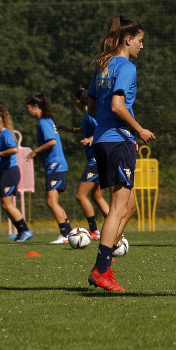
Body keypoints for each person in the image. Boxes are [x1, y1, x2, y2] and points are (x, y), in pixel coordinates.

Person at [87, 16, 156, 292]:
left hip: (104, 139)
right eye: (140, 41)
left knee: (129, 207)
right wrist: (137, 129)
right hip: (118, 141)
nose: (142, 46)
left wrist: (111, 128)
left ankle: (105, 268)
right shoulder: (126, 66)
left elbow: (93, 107)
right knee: (118, 208)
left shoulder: (102, 65)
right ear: (128, 40)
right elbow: (117, 105)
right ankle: (101, 269)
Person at [24, 93, 72, 244]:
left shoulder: (43, 122)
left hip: (55, 166)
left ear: (35, 107)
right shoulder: (48, 120)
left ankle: (65, 234)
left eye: (28, 109)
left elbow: (51, 141)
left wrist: (35, 151)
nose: (27, 112)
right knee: (54, 201)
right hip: (57, 165)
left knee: (51, 201)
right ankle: (69, 233)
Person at [0, 106, 34, 242]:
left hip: (10, 172)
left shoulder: (5, 133)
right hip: (6, 171)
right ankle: (22, 231)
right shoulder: (0, 134)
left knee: (7, 204)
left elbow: (13, 149)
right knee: (6, 205)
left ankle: (25, 231)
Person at [70, 86, 109, 241]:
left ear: (81, 100)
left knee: (80, 195)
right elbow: (87, 129)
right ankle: (117, 225)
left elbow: (102, 129)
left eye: (76, 100)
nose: (75, 103)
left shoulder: (91, 114)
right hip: (99, 160)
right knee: (97, 196)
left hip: (96, 161)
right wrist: (69, 130)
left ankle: (94, 230)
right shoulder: (88, 115)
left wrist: (90, 139)